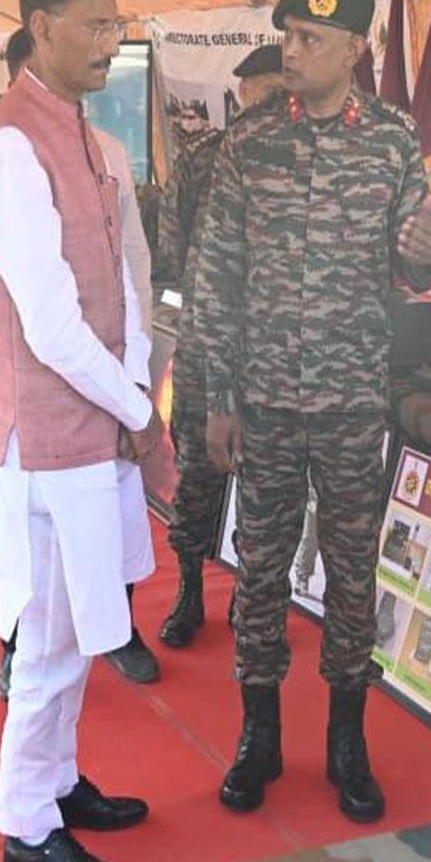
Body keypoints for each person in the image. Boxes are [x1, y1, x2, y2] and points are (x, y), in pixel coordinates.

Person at [196, 0, 431, 822]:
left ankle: (348, 741)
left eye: (310, 39)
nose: (292, 52)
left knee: (351, 574)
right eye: (289, 35)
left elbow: (423, 266)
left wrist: (422, 250)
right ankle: (258, 737)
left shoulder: (393, 141)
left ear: (356, 50)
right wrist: (216, 397)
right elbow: (216, 275)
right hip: (262, 401)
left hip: (349, 401)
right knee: (258, 571)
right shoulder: (250, 142)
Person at [0, 0, 158, 862]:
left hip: (95, 438)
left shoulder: (80, 131)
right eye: (93, 24)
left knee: (88, 625)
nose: (110, 41)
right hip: (47, 448)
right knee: (43, 640)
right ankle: (24, 824)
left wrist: (136, 384)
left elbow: (120, 278)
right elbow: (47, 321)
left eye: (117, 24)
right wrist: (136, 405)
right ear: (40, 27)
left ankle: (56, 780)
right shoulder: (11, 145)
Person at [0, 27, 160, 697]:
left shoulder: (110, 154)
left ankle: (118, 627)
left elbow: (133, 267)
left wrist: (139, 378)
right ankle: (17, 645)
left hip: (111, 379)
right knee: (35, 558)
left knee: (114, 523)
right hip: (43, 397)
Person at [157, 43, 282, 647]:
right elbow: (174, 247)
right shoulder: (204, 157)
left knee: (266, 484)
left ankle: (246, 597)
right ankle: (188, 590)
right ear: (245, 94)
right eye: (267, 93)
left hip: (275, 357)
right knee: (197, 469)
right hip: (209, 346)